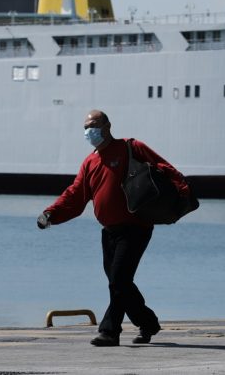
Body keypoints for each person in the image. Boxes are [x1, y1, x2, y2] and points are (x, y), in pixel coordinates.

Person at [37, 110, 192, 347]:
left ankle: (110, 332)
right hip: (109, 231)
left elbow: (163, 165)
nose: (89, 131)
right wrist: (51, 214)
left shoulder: (131, 147)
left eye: (93, 125)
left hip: (136, 227)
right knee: (120, 283)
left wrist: (184, 191)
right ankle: (148, 323)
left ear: (107, 126)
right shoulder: (90, 162)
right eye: (86, 127)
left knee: (119, 279)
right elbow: (75, 195)